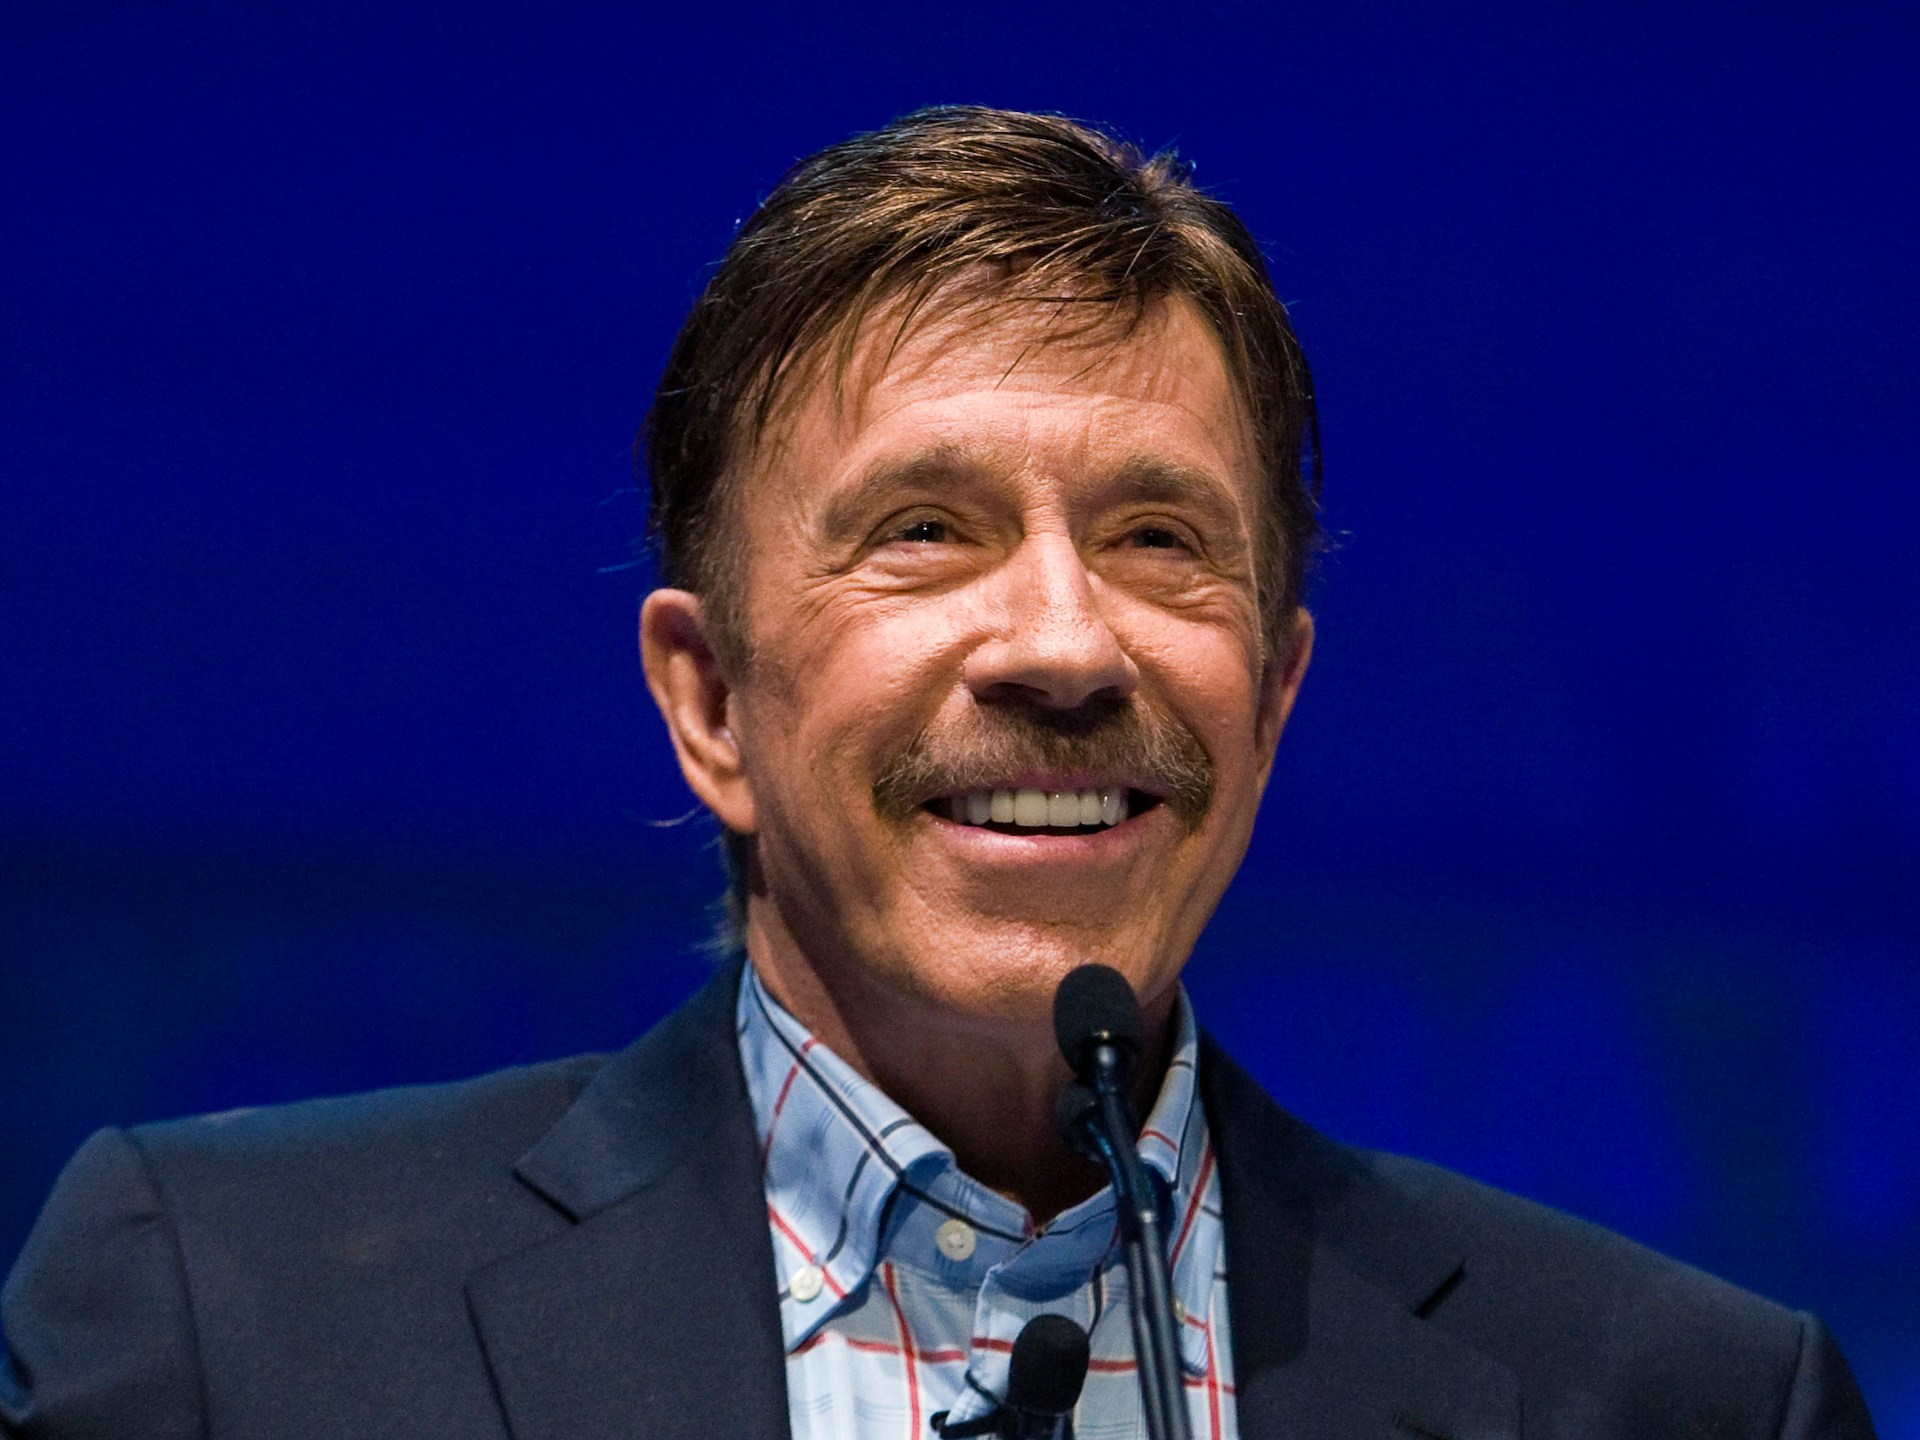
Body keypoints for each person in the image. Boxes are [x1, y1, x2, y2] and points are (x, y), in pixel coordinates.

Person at [0, 106, 1875, 1440]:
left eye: (1158, 539)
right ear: (709, 702)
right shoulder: (225, 1321)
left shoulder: (1687, 1401)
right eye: (923, 530)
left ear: (1276, 697)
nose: (1064, 644)